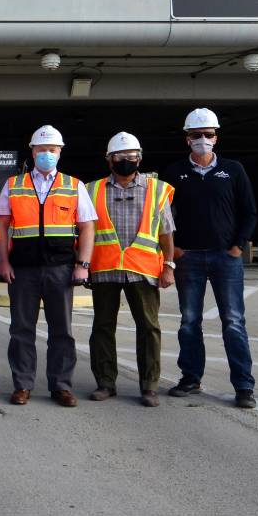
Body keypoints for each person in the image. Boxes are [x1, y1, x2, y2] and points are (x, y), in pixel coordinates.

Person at [163, 107, 258, 409]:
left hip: (225, 258)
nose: (202, 139)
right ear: (187, 139)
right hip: (188, 258)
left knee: (233, 322)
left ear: (216, 138)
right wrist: (175, 249)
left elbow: (249, 211)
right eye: (196, 135)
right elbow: (163, 216)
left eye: (208, 135)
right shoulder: (173, 173)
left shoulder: (233, 170)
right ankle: (191, 377)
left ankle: (244, 386)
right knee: (189, 321)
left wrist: (238, 246)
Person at [0, 124, 95, 406]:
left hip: (61, 269)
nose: (46, 154)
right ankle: (23, 385)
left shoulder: (73, 185)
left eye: (52, 150)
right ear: (32, 151)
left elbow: (87, 228)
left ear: (60, 152)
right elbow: (1, 228)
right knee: (21, 330)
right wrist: (3, 262)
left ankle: (61, 386)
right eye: (41, 150)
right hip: (23, 269)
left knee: (62, 330)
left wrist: (83, 264)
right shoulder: (13, 185)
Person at [84, 132, 177, 407]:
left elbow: (166, 233)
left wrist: (169, 266)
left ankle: (149, 386)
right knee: (102, 327)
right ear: (109, 160)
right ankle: (105, 383)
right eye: (120, 157)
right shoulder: (92, 190)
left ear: (140, 158)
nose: (126, 161)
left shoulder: (156, 189)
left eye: (131, 156)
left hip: (144, 270)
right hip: (104, 269)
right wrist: (84, 264)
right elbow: (84, 230)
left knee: (149, 327)